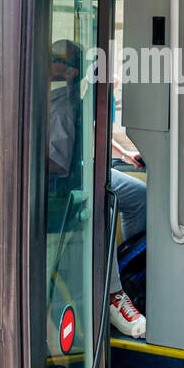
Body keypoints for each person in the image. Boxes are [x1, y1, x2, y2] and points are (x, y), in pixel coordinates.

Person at [47, 39, 146, 337]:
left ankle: (128, 267)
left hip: (80, 172)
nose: (46, 58)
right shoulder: (57, 101)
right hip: (67, 185)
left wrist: (123, 155)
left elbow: (89, 133)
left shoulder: (66, 102)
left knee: (139, 195)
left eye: (54, 57)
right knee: (106, 198)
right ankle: (113, 292)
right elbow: (58, 166)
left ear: (70, 72)